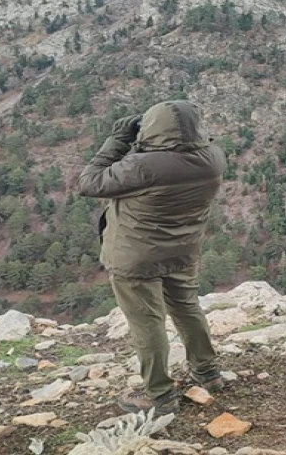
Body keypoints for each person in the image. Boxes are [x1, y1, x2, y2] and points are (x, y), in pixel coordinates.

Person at [77, 100, 227, 414]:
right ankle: (208, 373)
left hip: (136, 255)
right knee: (186, 307)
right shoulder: (214, 157)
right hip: (183, 249)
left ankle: (158, 394)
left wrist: (118, 140)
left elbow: (89, 182)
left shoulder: (144, 165)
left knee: (147, 321)